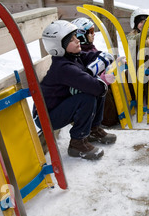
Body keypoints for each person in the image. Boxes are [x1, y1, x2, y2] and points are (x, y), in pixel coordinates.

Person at [32, 20, 117, 160]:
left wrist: (102, 58)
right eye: (71, 39)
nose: (77, 41)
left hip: (57, 108)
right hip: (46, 117)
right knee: (89, 96)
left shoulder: (73, 57)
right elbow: (96, 88)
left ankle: (92, 130)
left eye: (76, 36)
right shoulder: (64, 68)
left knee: (95, 90)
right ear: (59, 46)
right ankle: (77, 143)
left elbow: (90, 56)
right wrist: (102, 79)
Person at [70, 17, 120, 127]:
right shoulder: (80, 53)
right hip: (88, 91)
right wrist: (102, 80)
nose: (94, 34)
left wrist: (115, 64)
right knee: (106, 93)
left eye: (94, 31)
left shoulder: (91, 48)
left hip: (98, 84)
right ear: (81, 35)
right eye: (91, 32)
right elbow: (84, 76)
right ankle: (107, 120)